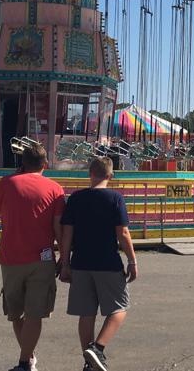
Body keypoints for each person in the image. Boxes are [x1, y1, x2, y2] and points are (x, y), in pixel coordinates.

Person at [0, 143, 66, 371]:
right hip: (42, 259)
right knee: (35, 314)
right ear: (45, 164)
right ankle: (26, 359)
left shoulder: (7, 182)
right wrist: (64, 256)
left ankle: (26, 360)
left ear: (22, 163)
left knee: (15, 313)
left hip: (11, 257)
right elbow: (58, 226)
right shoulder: (55, 188)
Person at [60, 157, 138, 371]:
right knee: (119, 308)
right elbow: (122, 232)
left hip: (80, 263)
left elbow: (67, 233)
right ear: (110, 176)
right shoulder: (115, 199)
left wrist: (64, 262)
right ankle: (98, 349)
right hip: (108, 262)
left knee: (86, 313)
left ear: (90, 173)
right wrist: (132, 260)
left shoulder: (75, 199)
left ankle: (89, 362)